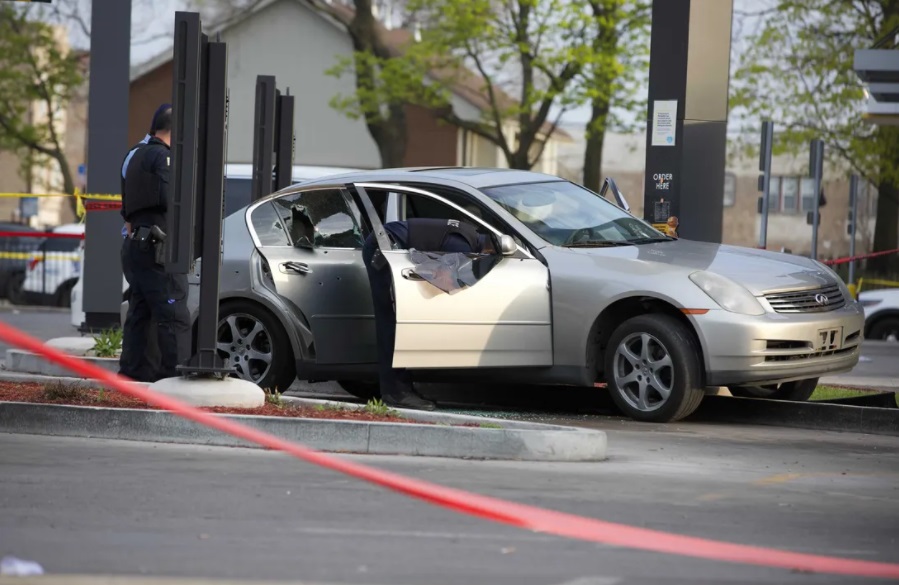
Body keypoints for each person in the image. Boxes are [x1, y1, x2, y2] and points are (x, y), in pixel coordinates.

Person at [362, 217, 496, 410]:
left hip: (387, 240)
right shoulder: (462, 246)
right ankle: (396, 392)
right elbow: (445, 279)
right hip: (382, 246)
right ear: (488, 251)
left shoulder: (469, 235)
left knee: (394, 322)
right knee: (390, 323)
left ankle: (399, 389)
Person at [117, 104, 191, 382]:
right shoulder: (165, 159)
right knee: (174, 315)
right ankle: (177, 379)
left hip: (136, 246)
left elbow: (127, 212)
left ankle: (134, 375)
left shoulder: (134, 155)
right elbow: (170, 201)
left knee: (141, 313)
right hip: (159, 249)